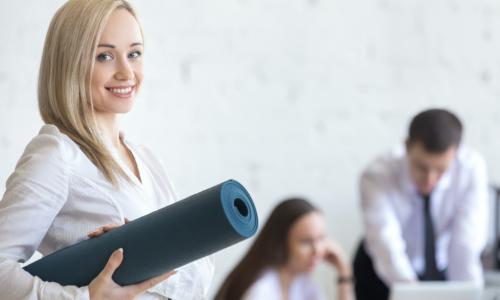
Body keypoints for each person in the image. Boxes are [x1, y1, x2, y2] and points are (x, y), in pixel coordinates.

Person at [0, 0, 214, 299]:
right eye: (104, 56)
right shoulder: (57, 155)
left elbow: (191, 281)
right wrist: (86, 298)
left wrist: (142, 252)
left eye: (134, 53)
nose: (127, 72)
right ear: (70, 62)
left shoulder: (147, 160)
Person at [353, 108, 488, 300]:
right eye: (422, 167)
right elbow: (385, 240)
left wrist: (469, 293)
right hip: (383, 270)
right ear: (407, 147)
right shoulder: (377, 175)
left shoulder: (471, 169)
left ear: (455, 154)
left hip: (441, 265)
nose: (430, 179)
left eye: (441, 170)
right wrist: (413, 295)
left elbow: (465, 242)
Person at [215, 198, 354, 300]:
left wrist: (344, 271)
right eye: (306, 241)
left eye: (321, 238)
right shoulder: (261, 290)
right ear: (280, 243)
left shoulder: (302, 283)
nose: (317, 250)